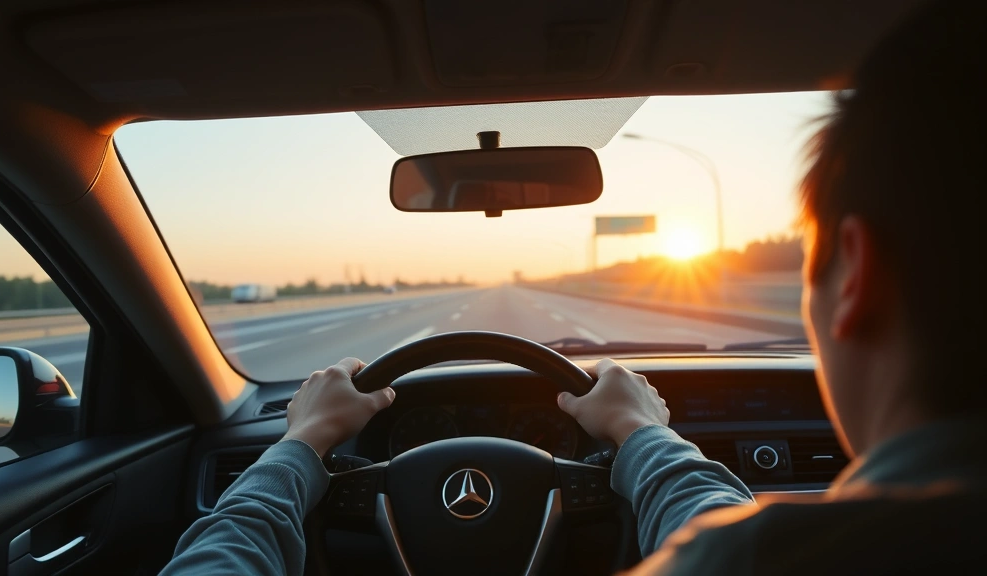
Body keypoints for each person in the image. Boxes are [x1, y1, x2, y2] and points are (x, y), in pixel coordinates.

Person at [161, 0, 987, 573]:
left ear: (856, 276)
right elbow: (707, 512)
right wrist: (637, 434)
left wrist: (301, 446)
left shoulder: (759, 557)